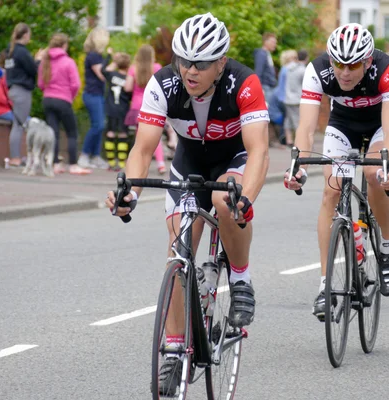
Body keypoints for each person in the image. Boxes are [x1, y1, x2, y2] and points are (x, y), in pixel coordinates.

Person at [106, 13, 269, 394]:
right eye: (183, 60)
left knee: (224, 201)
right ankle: (175, 349)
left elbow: (259, 150)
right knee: (179, 249)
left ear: (221, 63)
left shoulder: (243, 82)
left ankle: (241, 279)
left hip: (233, 161)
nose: (190, 70)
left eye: (201, 63)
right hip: (189, 164)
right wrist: (129, 191)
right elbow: (143, 148)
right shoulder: (163, 83)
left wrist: (247, 198)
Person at [283, 23, 389, 320]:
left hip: (379, 126)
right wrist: (296, 165)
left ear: (367, 61)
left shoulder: (387, 69)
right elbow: (307, 126)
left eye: (352, 66)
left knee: (376, 177)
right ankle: (326, 285)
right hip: (343, 125)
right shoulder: (318, 70)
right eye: (339, 64)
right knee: (331, 190)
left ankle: (387, 251)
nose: (344, 73)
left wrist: (388, 167)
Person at [37, 33, 91, 175]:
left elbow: (41, 83)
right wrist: (70, 97)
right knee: (72, 132)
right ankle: (73, 164)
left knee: (53, 133)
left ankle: (55, 163)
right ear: (64, 45)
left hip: (48, 99)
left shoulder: (45, 61)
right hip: (63, 100)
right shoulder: (68, 62)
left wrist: (48, 91)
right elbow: (75, 84)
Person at [4, 23, 44, 167]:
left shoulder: (10, 51)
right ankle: (15, 158)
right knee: (19, 124)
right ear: (26, 35)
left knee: (18, 123)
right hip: (22, 91)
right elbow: (33, 70)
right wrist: (38, 59)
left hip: (12, 89)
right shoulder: (21, 52)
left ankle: (16, 156)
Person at [124, 45, 165, 173]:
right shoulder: (157, 68)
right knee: (155, 136)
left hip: (137, 106)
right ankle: (161, 163)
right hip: (153, 105)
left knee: (139, 139)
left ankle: (139, 166)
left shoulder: (133, 69)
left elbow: (127, 88)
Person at [79, 28, 110, 170]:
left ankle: (96, 156)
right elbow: (102, 74)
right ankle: (84, 155)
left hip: (97, 94)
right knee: (98, 125)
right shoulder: (93, 56)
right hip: (92, 94)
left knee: (99, 124)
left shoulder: (97, 56)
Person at [102, 49, 132, 170]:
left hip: (110, 109)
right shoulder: (128, 79)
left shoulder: (112, 75)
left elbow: (104, 69)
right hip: (123, 110)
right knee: (122, 134)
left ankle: (110, 162)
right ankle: (121, 163)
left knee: (110, 133)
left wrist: (111, 57)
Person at [284, 49, 308, 148]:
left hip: (287, 97)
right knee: (297, 121)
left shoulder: (289, 68)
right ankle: (298, 143)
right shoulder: (303, 70)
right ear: (306, 58)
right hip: (297, 99)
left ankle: (289, 140)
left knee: (288, 120)